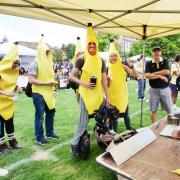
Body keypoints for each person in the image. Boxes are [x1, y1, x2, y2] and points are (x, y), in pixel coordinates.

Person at [69, 23, 109, 156]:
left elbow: (103, 80)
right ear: (87, 46)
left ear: (96, 46)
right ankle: (74, 144)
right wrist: (84, 84)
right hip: (85, 95)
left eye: (94, 44)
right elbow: (71, 76)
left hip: (98, 96)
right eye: (89, 44)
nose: (92, 46)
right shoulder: (81, 59)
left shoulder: (101, 60)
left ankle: (102, 140)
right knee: (83, 123)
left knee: (102, 121)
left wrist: (107, 96)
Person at [28, 35, 59, 145]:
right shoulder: (34, 63)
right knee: (40, 116)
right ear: (40, 51)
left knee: (51, 113)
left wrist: (54, 90)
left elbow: (51, 78)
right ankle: (39, 137)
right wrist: (47, 84)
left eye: (48, 52)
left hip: (49, 93)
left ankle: (50, 133)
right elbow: (31, 80)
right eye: (46, 51)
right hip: (38, 93)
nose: (48, 53)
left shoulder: (49, 63)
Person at [107, 40, 137, 133]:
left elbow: (135, 75)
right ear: (109, 57)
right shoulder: (106, 68)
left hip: (122, 95)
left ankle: (129, 129)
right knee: (113, 116)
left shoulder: (123, 67)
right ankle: (114, 133)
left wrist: (132, 66)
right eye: (111, 56)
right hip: (112, 96)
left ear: (118, 56)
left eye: (115, 55)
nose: (113, 57)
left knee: (125, 113)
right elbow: (106, 85)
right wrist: (107, 79)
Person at [0, 42, 22, 155]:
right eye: (15, 63)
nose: (16, 66)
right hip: (0, 104)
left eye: (17, 63)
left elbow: (11, 82)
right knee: (0, 125)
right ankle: (2, 145)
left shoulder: (14, 71)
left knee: (10, 123)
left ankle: (13, 141)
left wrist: (17, 86)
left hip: (8, 103)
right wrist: (5, 93)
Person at [145, 47, 174, 123]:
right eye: (154, 51)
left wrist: (153, 74)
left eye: (158, 51)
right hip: (153, 90)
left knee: (169, 110)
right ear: (152, 53)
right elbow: (147, 75)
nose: (156, 53)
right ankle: (154, 127)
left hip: (165, 89)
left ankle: (170, 126)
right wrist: (160, 76)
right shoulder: (148, 63)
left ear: (160, 52)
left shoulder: (165, 61)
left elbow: (166, 71)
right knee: (153, 110)